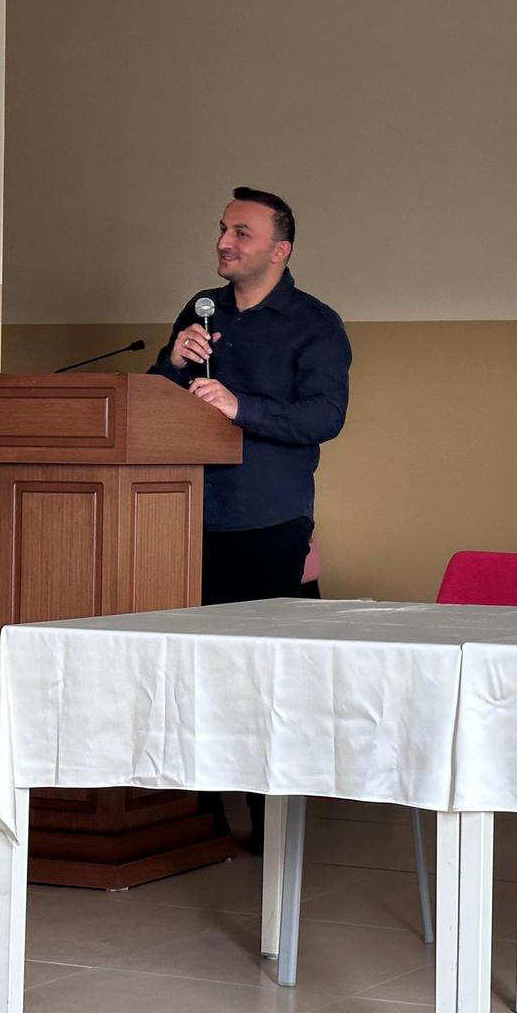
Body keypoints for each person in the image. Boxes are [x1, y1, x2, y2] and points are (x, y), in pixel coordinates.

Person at [149, 186, 352, 848]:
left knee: (264, 677)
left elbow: (324, 417)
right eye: (222, 229)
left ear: (279, 250)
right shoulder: (201, 310)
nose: (223, 242)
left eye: (241, 232)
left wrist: (242, 408)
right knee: (194, 673)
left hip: (267, 518)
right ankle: (197, 815)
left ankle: (273, 825)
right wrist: (171, 364)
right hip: (186, 515)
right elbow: (159, 406)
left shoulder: (314, 324)